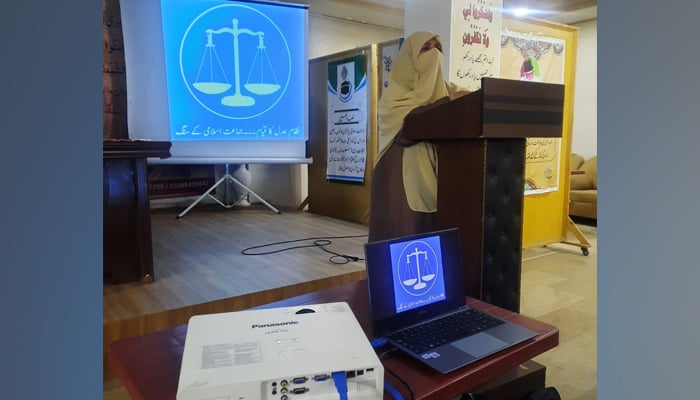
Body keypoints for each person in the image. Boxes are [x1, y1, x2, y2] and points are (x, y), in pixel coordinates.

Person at [368, 31, 469, 242]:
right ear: (409, 58)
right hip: (397, 177)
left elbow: (473, 102)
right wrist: (448, 103)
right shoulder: (395, 95)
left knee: (432, 238)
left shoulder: (447, 90)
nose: (433, 54)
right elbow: (410, 126)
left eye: (437, 48)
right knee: (404, 235)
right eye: (425, 49)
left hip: (439, 174)